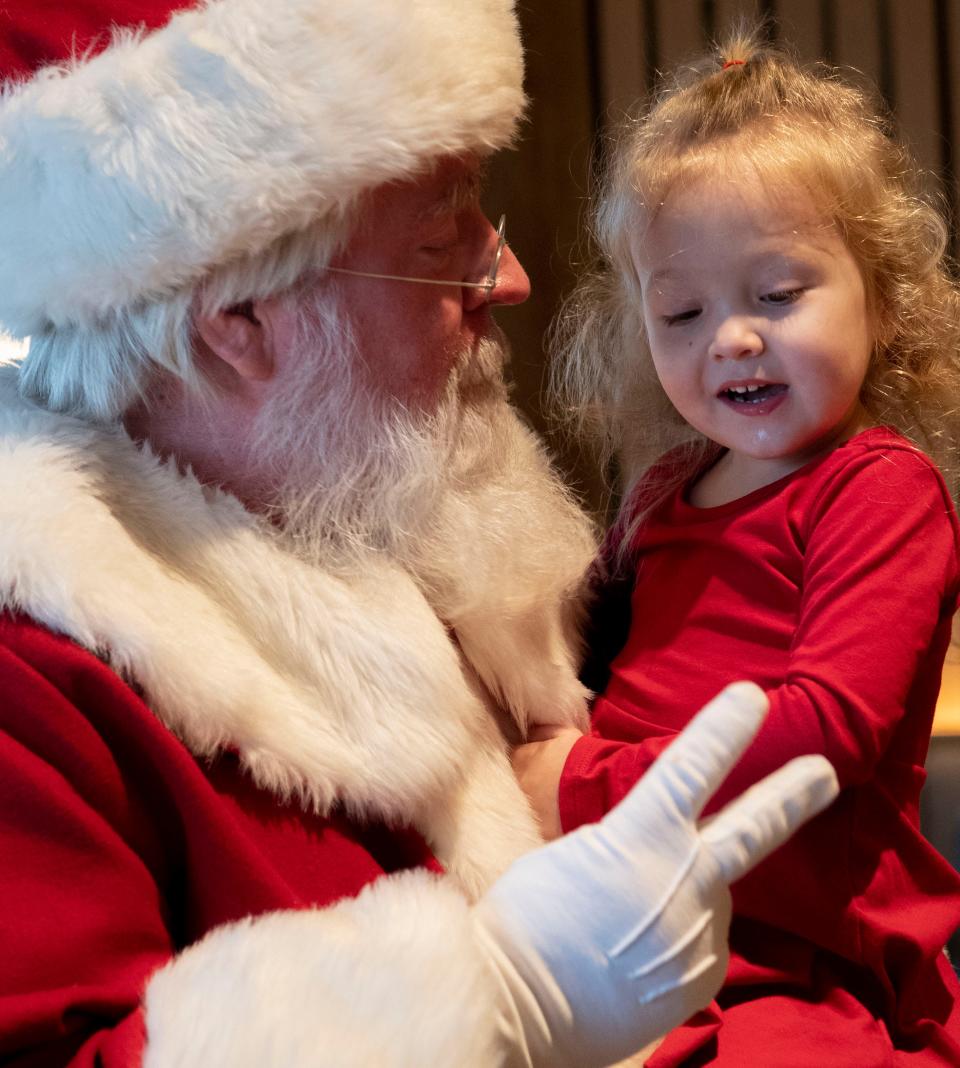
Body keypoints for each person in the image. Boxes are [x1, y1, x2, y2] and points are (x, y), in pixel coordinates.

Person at [0, 3, 840, 1066]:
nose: (509, 277)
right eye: (444, 240)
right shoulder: (35, 680)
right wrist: (507, 1005)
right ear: (242, 320)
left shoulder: (386, 510)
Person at [517, 27, 960, 1067]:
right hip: (627, 907)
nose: (733, 336)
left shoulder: (876, 487)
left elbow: (826, 729)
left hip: (796, 944)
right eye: (683, 310)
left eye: (777, 293)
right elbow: (575, 660)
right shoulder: (665, 490)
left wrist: (584, 787)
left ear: (883, 300)